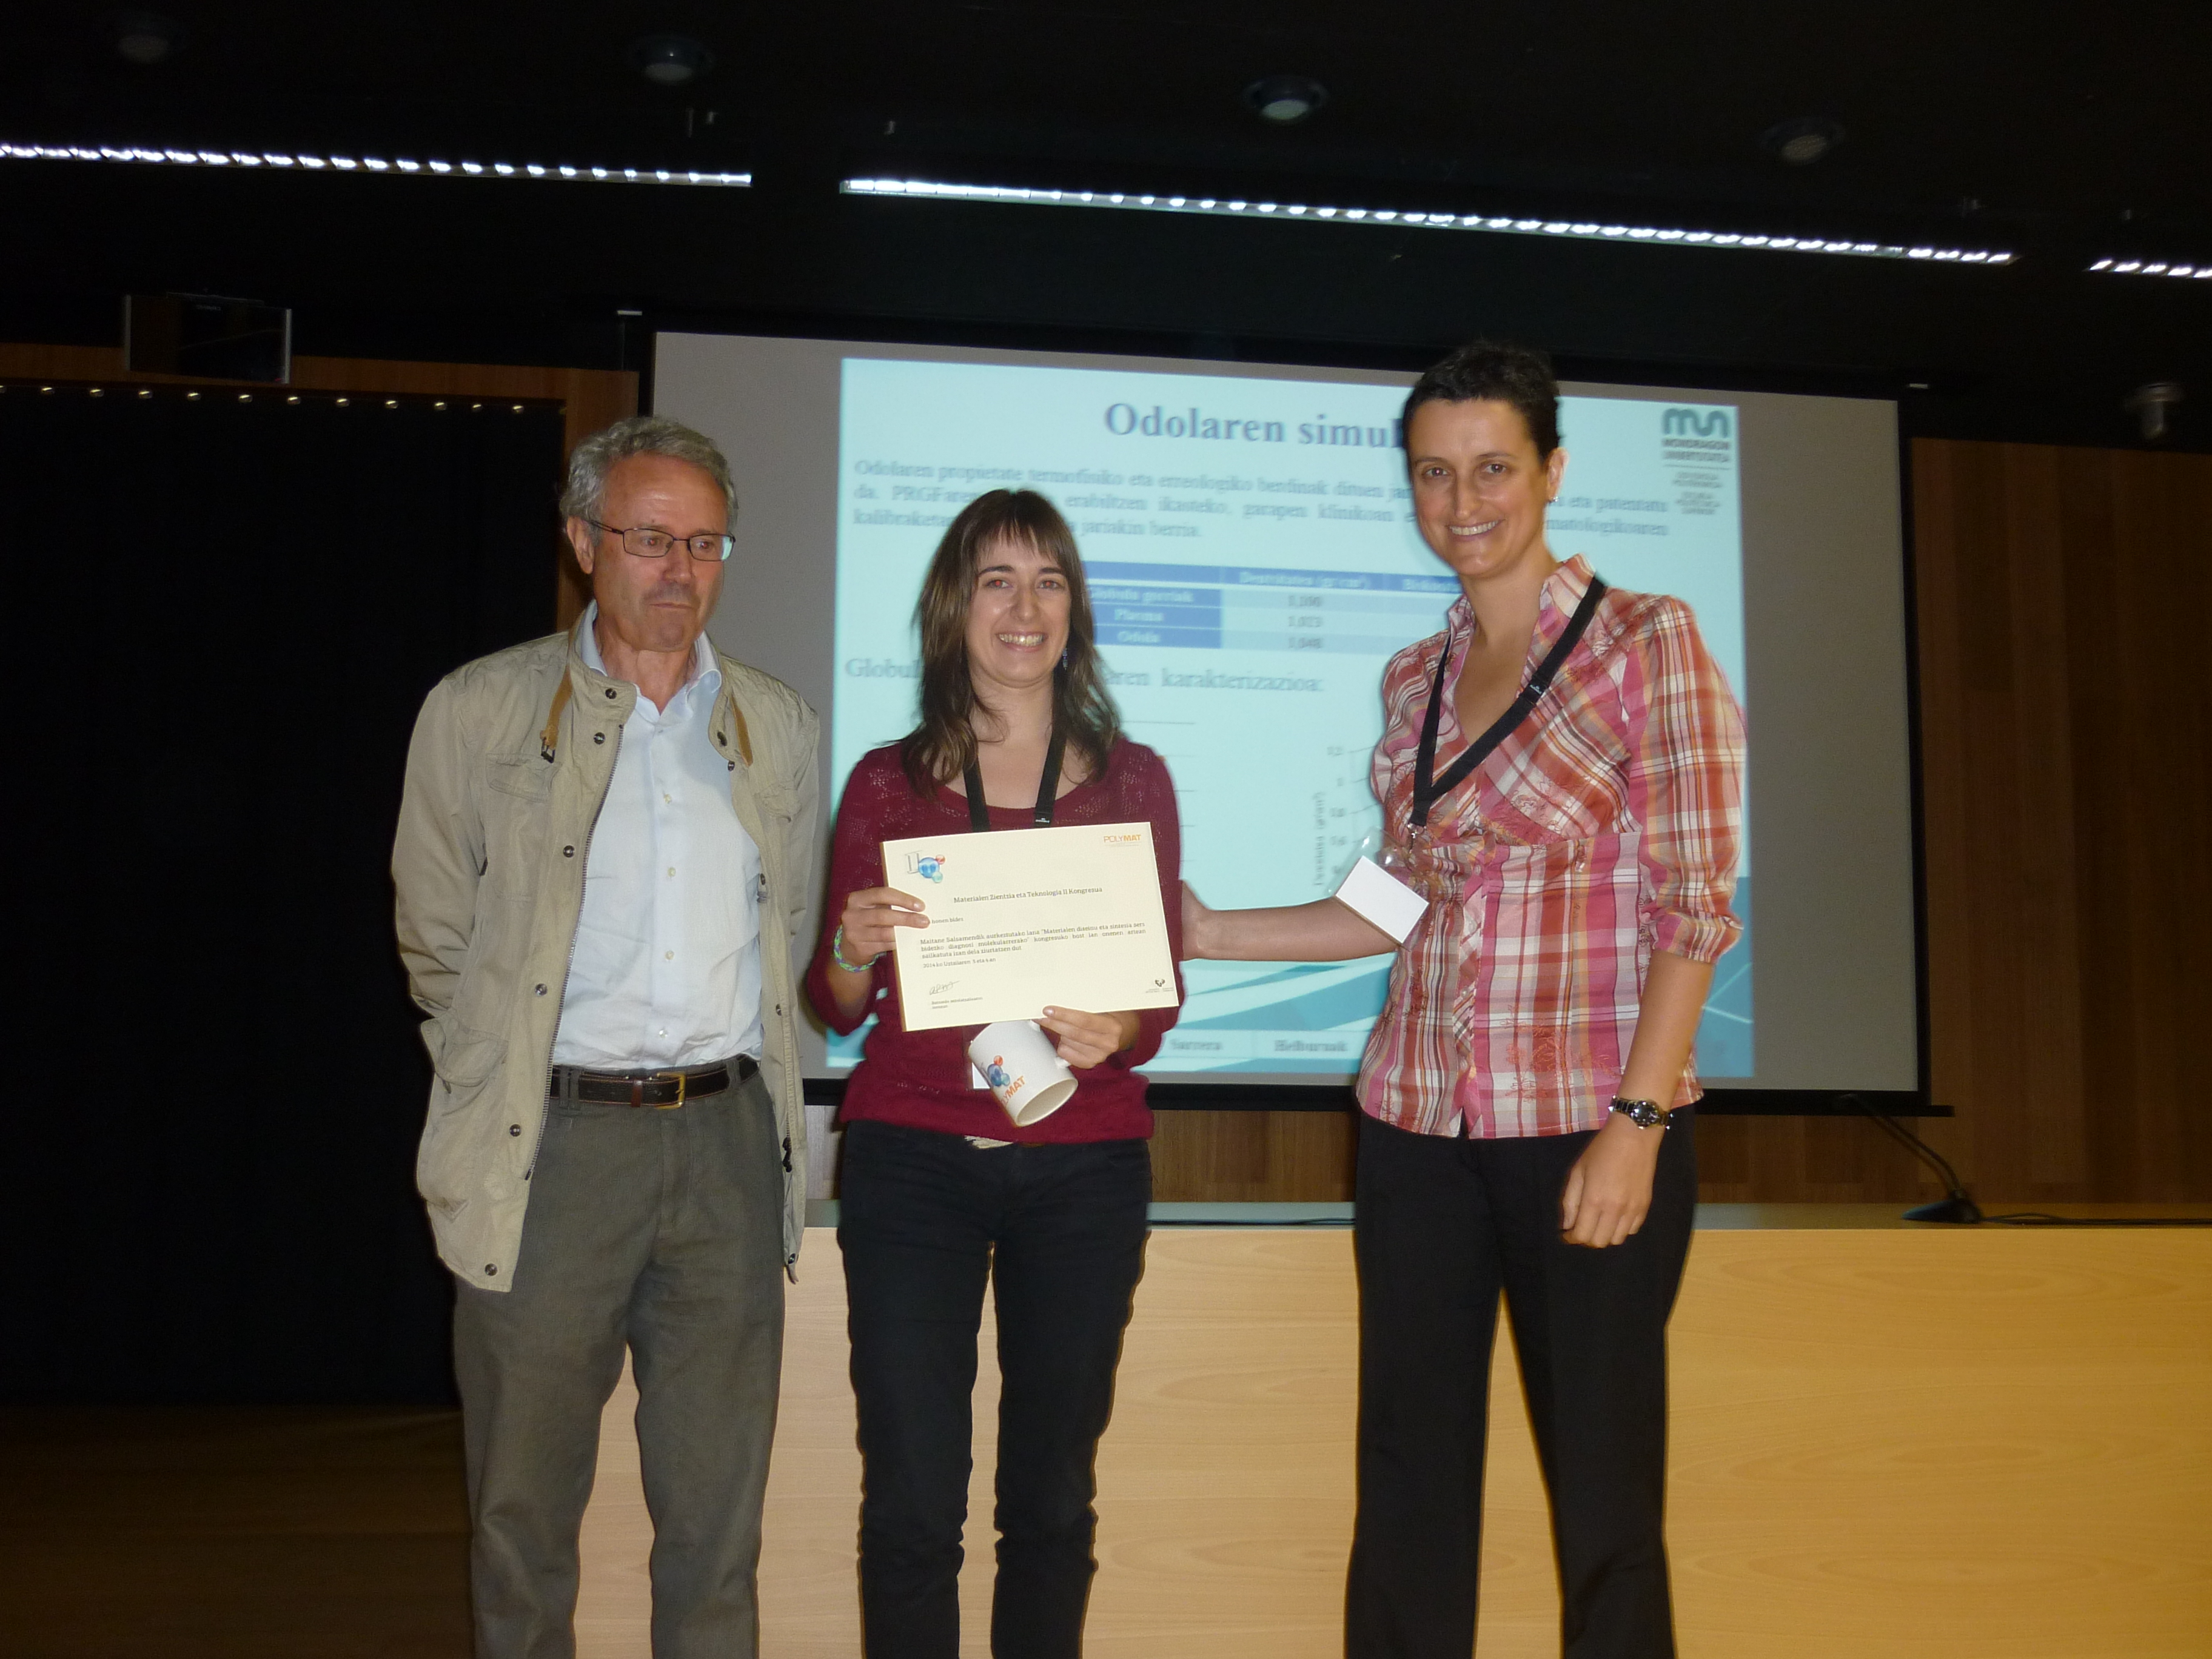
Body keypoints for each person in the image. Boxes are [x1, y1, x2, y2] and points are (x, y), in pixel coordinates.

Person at [1182, 341, 1744, 1659]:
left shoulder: (1646, 640)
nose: (1463, 500)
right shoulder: (1414, 678)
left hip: (1586, 1126)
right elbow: (1398, 901)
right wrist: (1209, 932)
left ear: (1552, 472)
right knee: (1409, 1482)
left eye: (1493, 468)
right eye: (1434, 474)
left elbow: (1694, 906)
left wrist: (1637, 1124)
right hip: (1416, 1129)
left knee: (1604, 1498)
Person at [393, 415, 819, 1659]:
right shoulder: (479, 710)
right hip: (551, 1153)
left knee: (717, 1524)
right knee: (522, 1521)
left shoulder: (778, 724)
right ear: (584, 542)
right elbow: (434, 936)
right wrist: (497, 1082)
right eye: (649, 539)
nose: (679, 570)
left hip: (728, 1150)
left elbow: (789, 926)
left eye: (704, 543)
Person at [804, 488, 1184, 1659]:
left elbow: (1158, 1001)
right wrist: (851, 948)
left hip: (1084, 1168)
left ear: (1075, 609)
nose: (1025, 608)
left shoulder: (1135, 780)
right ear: (953, 608)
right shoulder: (887, 782)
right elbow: (834, 1002)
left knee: (1052, 1501)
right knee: (913, 1501)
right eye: (997, 582)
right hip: (913, 1162)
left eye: (1049, 581)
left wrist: (1120, 1028)